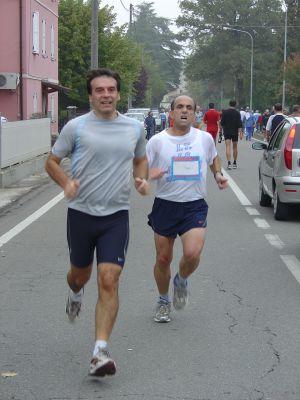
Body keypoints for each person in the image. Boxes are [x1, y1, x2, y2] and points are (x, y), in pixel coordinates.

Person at [45, 68, 149, 377]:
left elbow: (140, 158)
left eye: (111, 89)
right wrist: (65, 183)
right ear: (90, 95)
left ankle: (100, 351)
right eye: (99, 90)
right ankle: (75, 292)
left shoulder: (134, 128)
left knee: (109, 278)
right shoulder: (76, 127)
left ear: (118, 94)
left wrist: (140, 177)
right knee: (80, 275)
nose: (106, 94)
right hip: (80, 214)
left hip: (115, 216)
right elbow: (51, 162)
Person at [146, 95, 228, 323]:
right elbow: (141, 168)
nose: (184, 111)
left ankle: (181, 280)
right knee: (163, 259)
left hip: (194, 205)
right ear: (171, 113)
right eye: (179, 107)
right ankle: (163, 300)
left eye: (189, 108)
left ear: (195, 113)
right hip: (165, 204)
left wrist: (218, 174)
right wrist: (146, 175)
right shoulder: (157, 141)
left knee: (192, 254)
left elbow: (214, 158)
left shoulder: (204, 139)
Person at [221, 100, 243, 169]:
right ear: (235, 105)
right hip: (235, 132)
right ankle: (235, 163)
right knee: (235, 147)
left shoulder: (225, 112)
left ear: (229, 104)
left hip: (227, 131)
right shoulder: (237, 113)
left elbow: (222, 123)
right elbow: (239, 124)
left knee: (228, 147)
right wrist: (241, 133)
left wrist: (220, 132)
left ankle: (229, 163)